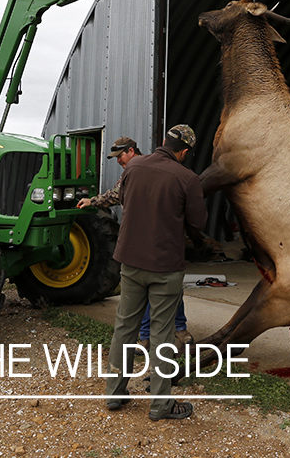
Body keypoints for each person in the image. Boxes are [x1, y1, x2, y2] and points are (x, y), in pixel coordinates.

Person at [104, 124, 206, 421]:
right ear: (184, 152)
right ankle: (160, 405)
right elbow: (198, 222)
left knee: (125, 327)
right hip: (164, 267)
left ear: (163, 142)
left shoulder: (133, 168)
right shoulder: (188, 178)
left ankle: (114, 393)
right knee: (162, 335)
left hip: (130, 263)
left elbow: (123, 200)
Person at [78, 137, 192, 346]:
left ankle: (170, 330)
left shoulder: (148, 167)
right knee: (160, 286)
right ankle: (156, 334)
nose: (119, 161)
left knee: (163, 286)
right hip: (145, 236)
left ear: (131, 151)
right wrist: (93, 200)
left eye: (120, 156)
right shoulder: (133, 170)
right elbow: (115, 195)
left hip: (158, 236)